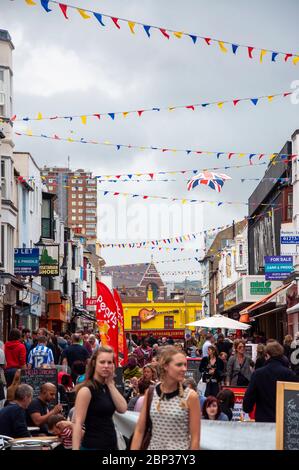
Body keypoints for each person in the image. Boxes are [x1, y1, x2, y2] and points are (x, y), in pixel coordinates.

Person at [131, 346, 200, 450]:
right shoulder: (151, 393)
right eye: (179, 365)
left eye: (185, 365)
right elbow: (139, 430)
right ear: (166, 366)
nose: (184, 369)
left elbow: (195, 439)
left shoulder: (191, 396)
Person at [72, 346, 127, 450]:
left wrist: (110, 384)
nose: (106, 366)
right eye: (102, 362)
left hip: (111, 445)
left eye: (109, 362)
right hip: (93, 446)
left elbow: (122, 408)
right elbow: (77, 423)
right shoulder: (86, 390)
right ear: (94, 363)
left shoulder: (108, 387)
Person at [243, 341, 299, 422]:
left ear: (267, 355)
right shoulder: (290, 374)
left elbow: (247, 404)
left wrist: (248, 408)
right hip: (285, 422)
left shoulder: (258, 374)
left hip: (264, 420)